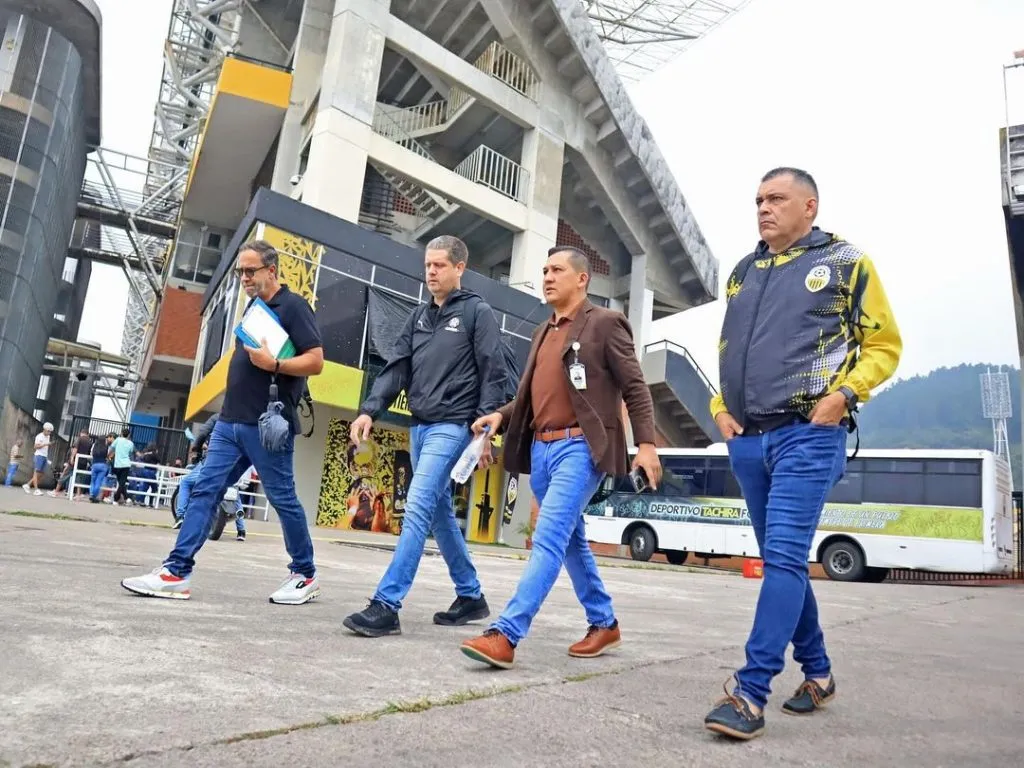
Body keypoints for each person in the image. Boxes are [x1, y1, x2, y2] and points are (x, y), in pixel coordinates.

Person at [702, 168, 901, 741]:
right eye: (758, 200)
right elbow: (729, 351)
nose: (763, 208)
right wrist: (720, 410)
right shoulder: (744, 270)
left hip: (807, 436)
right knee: (783, 562)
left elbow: (884, 343)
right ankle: (819, 673)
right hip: (747, 440)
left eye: (776, 199)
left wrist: (843, 396)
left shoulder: (845, 261)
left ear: (809, 206)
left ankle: (750, 691)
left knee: (783, 560)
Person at [459, 246, 661, 669]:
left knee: (548, 538)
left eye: (557, 270)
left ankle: (506, 634)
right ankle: (604, 622)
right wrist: (500, 415)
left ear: (582, 279)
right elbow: (530, 395)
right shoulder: (543, 332)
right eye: (544, 269)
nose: (547, 276)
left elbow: (636, 387)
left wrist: (646, 444)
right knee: (570, 541)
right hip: (542, 448)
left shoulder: (605, 324)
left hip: (580, 448)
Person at [121, 240, 325, 603]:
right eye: (240, 272)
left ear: (271, 270)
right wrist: (217, 420)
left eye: (250, 271)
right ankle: (176, 572)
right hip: (230, 424)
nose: (244, 277)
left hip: (265, 426)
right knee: (205, 490)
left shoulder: (293, 307)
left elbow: (315, 361)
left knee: (283, 501)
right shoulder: (254, 307)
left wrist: (275, 365)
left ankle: (305, 574)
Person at [342, 235, 507, 637]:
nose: (431, 272)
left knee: (416, 507)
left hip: (453, 426)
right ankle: (470, 596)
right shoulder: (418, 317)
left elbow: (493, 370)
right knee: (438, 513)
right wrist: (368, 410)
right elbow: (397, 368)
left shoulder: (476, 313)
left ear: (459, 268)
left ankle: (387, 604)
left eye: (439, 265)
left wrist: (486, 431)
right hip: (419, 425)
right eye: (428, 265)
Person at [106, 427, 135, 505]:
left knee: (121, 482)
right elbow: (130, 453)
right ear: (129, 435)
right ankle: (125, 498)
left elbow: (111, 449)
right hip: (126, 464)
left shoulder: (117, 440)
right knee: (122, 483)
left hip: (117, 464)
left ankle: (119, 498)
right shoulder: (131, 443)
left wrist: (108, 456)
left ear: (121, 433)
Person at [23, 422, 53, 495]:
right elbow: (35, 447)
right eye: (48, 431)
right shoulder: (39, 436)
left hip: (44, 456)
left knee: (41, 473)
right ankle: (36, 489)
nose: (49, 433)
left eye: (50, 432)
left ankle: (27, 485)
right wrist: (45, 444)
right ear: (44, 429)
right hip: (38, 455)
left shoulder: (48, 437)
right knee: (36, 473)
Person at [88, 433, 114, 503]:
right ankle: (94, 496)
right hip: (103, 465)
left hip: (94, 464)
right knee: (98, 481)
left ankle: (91, 494)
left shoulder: (94, 446)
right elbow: (109, 455)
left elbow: (91, 454)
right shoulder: (106, 447)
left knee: (92, 481)